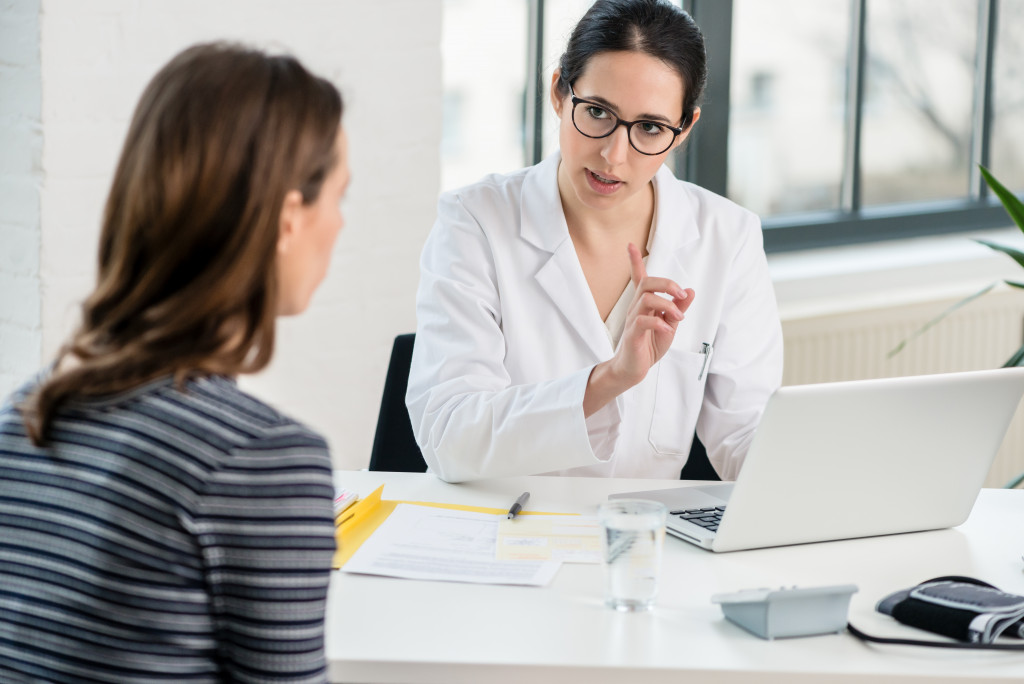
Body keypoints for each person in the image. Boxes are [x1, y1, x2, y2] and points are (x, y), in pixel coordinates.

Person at [0, 43, 348, 682]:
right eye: (337, 198)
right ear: (287, 218)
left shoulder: (24, 415)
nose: (341, 224)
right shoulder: (265, 460)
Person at [407, 0, 783, 483]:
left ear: (683, 129)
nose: (613, 154)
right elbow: (450, 436)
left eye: (649, 127)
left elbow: (744, 432)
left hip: (643, 538)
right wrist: (611, 380)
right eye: (598, 112)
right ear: (559, 94)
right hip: (503, 532)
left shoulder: (727, 237)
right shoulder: (476, 223)